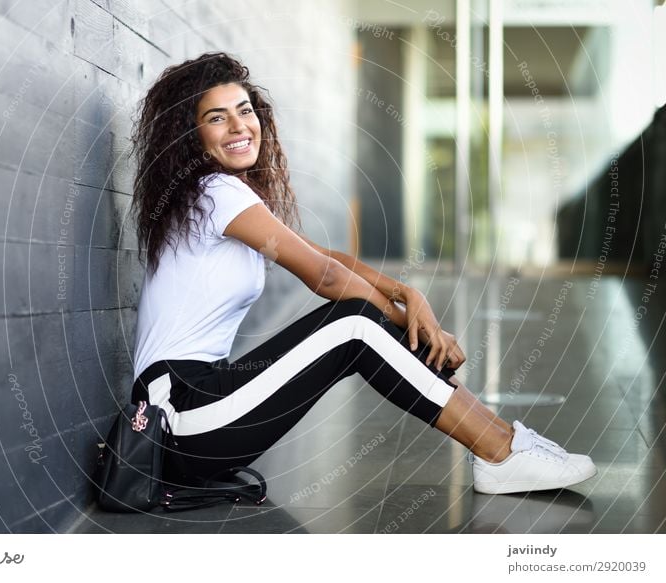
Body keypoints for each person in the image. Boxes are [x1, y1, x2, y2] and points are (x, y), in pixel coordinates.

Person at [126, 51, 596, 496]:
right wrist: (404, 318)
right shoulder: (215, 192)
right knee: (354, 324)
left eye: (244, 110)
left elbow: (324, 255)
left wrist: (409, 295)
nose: (238, 126)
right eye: (216, 117)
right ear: (191, 134)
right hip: (177, 416)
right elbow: (324, 277)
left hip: (197, 409)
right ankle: (500, 451)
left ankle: (503, 442)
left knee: (360, 320)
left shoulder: (218, 196)